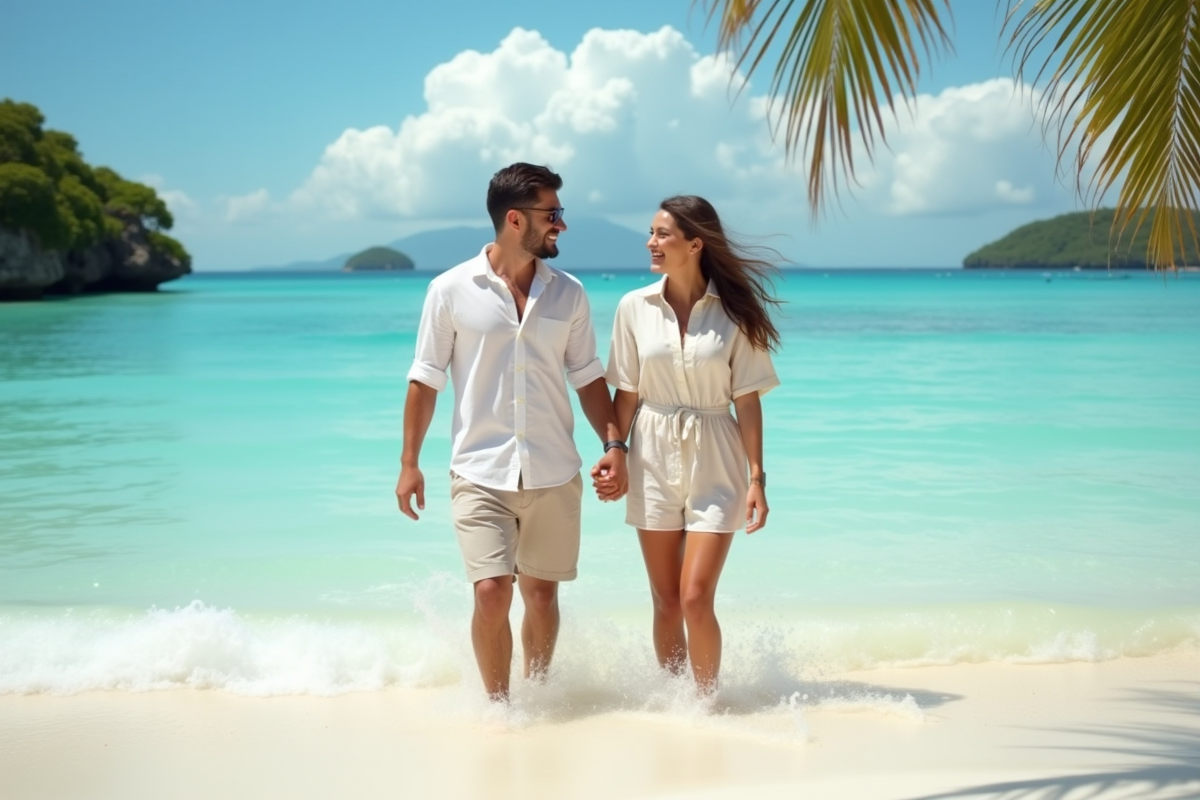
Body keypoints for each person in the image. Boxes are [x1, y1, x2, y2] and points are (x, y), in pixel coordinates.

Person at [396, 163, 628, 702]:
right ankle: (500, 709)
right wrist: (410, 462)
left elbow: (588, 377)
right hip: (479, 469)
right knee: (493, 593)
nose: (562, 226)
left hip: (553, 469)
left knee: (543, 598)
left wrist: (615, 445)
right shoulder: (450, 289)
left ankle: (538, 697)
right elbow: (425, 379)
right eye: (553, 215)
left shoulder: (568, 294)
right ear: (516, 220)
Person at [600, 195, 780, 695]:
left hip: (715, 454)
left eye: (662, 234)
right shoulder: (632, 307)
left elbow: (747, 400)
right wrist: (617, 453)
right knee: (666, 600)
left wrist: (757, 478)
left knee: (696, 597)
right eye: (652, 233)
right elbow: (626, 393)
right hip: (652, 453)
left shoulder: (736, 312)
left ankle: (706, 703)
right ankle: (675, 701)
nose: (650, 242)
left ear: (695, 244)